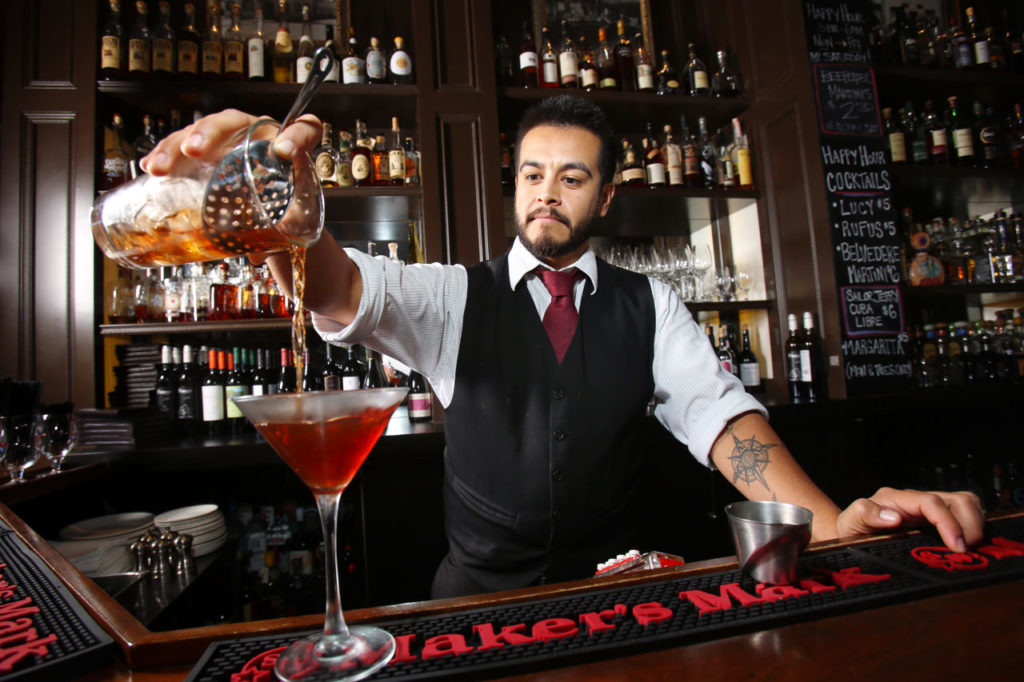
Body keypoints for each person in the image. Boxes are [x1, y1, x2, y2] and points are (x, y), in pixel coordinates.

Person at [142, 96, 984, 599]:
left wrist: (834, 526)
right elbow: (339, 291)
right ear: (515, 183)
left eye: (572, 177)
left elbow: (724, 423)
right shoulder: (453, 297)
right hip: (474, 609)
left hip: (614, 599)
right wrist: (294, 221)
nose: (547, 193)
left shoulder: (650, 305)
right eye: (533, 174)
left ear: (605, 195)